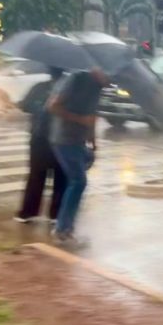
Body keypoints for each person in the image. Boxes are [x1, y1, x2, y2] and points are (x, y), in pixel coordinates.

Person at [47, 67, 108, 246]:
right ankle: (62, 230)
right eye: (107, 74)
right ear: (97, 68)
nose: (109, 80)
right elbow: (53, 105)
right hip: (64, 139)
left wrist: (93, 141)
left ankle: (65, 227)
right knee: (79, 182)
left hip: (79, 141)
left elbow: (92, 116)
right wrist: (80, 120)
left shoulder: (98, 87)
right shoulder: (76, 79)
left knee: (76, 181)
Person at [15, 68, 66, 224]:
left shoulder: (39, 87)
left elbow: (24, 105)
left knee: (36, 176)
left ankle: (28, 212)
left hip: (39, 138)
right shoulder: (68, 88)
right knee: (61, 177)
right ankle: (56, 214)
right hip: (61, 139)